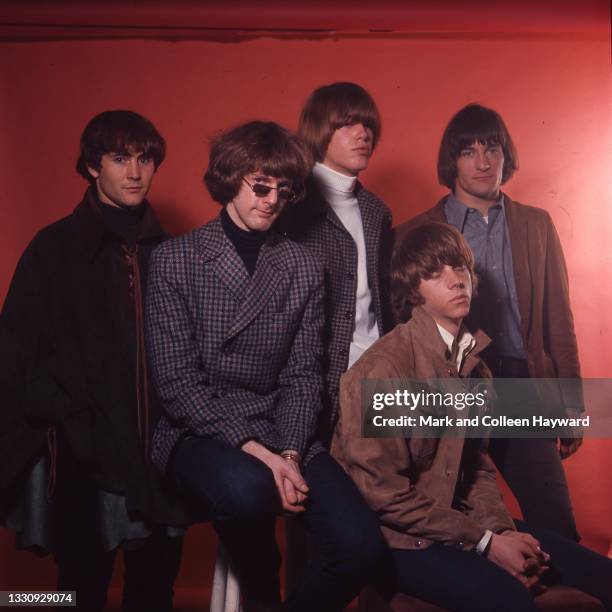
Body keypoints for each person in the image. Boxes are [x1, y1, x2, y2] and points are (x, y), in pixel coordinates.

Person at [145, 121, 386, 612]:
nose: (272, 200)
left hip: (284, 426)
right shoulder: (176, 259)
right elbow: (177, 386)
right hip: (199, 431)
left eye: (283, 189)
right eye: (260, 186)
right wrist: (262, 454)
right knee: (247, 491)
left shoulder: (302, 265)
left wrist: (292, 453)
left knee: (362, 548)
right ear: (230, 178)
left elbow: (303, 376)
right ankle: (261, 593)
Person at [332, 222, 612, 612]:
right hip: (399, 540)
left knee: (603, 578)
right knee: (512, 600)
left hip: (457, 522)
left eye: (459, 268)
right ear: (414, 289)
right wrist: (485, 543)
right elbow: (383, 495)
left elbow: (477, 469)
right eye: (435, 274)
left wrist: (501, 532)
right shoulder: (384, 369)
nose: (455, 281)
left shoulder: (474, 366)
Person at [0, 110, 187, 611]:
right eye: (119, 158)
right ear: (90, 167)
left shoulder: (172, 252)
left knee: (154, 590)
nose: (134, 172)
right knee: (78, 588)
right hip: (86, 454)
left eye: (145, 159)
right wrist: (71, 412)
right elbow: (15, 355)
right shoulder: (53, 248)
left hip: (158, 453)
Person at [394, 104, 581, 540]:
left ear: (504, 155)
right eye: (468, 151)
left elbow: (559, 320)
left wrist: (570, 407)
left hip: (520, 386)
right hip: (449, 388)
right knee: (451, 523)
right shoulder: (413, 233)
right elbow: (401, 327)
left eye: (491, 148)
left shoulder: (536, 225)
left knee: (555, 522)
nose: (482, 161)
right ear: (451, 160)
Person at [281, 81, 393, 447]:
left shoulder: (376, 211)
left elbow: (381, 303)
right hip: (317, 385)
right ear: (320, 129)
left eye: (368, 125)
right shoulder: (289, 204)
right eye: (348, 124)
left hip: (379, 378)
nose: (364, 134)